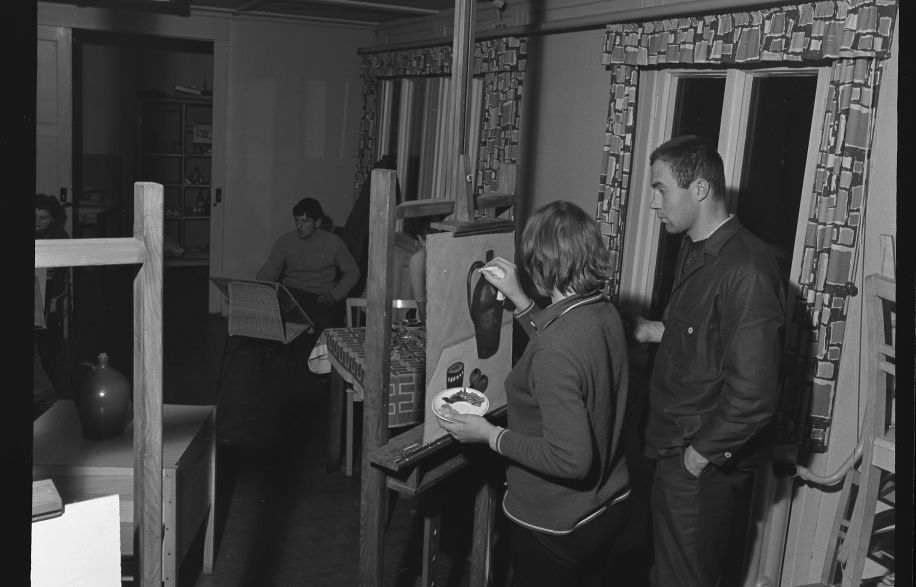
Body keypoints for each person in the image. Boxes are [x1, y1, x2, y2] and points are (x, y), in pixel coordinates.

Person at [436, 200, 631, 587]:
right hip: (607, 505)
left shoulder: (556, 349)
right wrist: (523, 303)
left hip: (560, 523)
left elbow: (571, 460)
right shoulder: (602, 310)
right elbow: (567, 347)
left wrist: (489, 435)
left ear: (540, 266)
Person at [630, 135, 785, 587]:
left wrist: (696, 459)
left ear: (699, 189)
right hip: (669, 446)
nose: (654, 203)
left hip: (696, 463)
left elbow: (754, 396)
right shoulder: (697, 247)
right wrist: (653, 330)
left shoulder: (748, 270)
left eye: (660, 189)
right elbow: (707, 338)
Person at [256, 197, 360, 340]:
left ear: (317, 223)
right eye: (297, 220)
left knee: (324, 322)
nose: (299, 226)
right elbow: (268, 272)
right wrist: (262, 289)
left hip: (320, 295)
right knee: (271, 318)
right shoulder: (286, 241)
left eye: (305, 221)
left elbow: (353, 272)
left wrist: (336, 294)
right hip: (291, 293)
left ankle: (318, 358)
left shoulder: (333, 243)